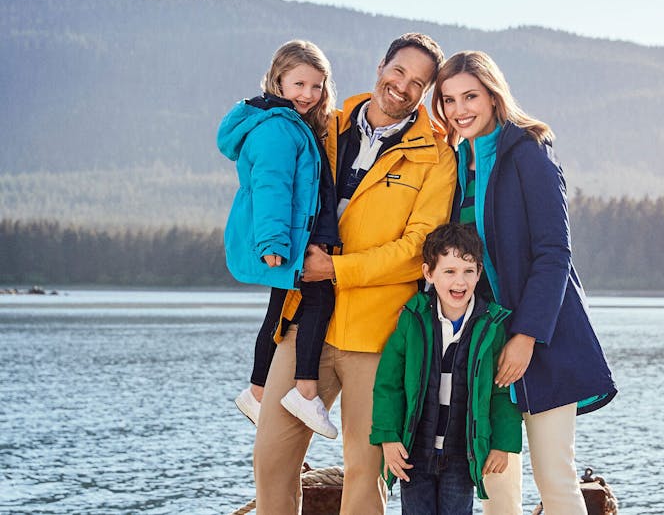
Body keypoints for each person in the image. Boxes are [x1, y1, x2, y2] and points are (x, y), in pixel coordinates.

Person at [252, 33, 456, 515]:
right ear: (381, 64)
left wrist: (335, 269)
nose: (403, 86)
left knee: (365, 475)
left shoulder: (437, 157)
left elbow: (416, 252)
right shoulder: (324, 126)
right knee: (271, 459)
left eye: (418, 83)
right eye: (399, 71)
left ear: (425, 93)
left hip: (378, 334)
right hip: (304, 324)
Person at [432, 50, 618, 514]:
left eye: (470, 96)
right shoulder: (457, 164)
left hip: (543, 339)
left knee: (555, 478)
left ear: (493, 96)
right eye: (449, 99)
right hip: (481, 342)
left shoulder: (529, 152)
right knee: (496, 486)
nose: (460, 109)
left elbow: (554, 254)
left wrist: (526, 337)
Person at [217, 40, 341, 438]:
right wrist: (273, 244)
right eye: (299, 84)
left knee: (279, 310)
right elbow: (271, 186)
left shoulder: (290, 121)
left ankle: (257, 390)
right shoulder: (277, 128)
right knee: (319, 297)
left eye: (317, 86)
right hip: (286, 239)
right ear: (278, 81)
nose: (308, 94)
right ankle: (305, 389)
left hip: (298, 234)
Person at [370, 223, 522, 515]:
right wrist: (388, 437)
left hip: (461, 454)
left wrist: (503, 444)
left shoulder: (491, 326)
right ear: (429, 273)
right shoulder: (412, 319)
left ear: (479, 272)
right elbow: (388, 384)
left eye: (468, 271)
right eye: (449, 271)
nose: (459, 281)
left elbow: (502, 392)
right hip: (413, 450)